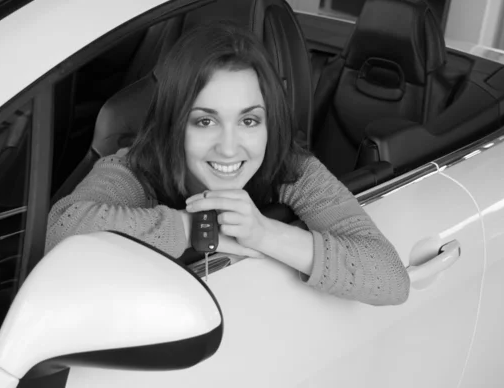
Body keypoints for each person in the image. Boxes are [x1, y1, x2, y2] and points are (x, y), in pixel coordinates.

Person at [46, 21, 409, 306]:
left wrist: (265, 233)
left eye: (249, 121)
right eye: (205, 121)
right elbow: (62, 230)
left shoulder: (289, 167)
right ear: (174, 124)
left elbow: (390, 276)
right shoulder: (136, 166)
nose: (229, 147)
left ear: (269, 123)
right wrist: (198, 227)